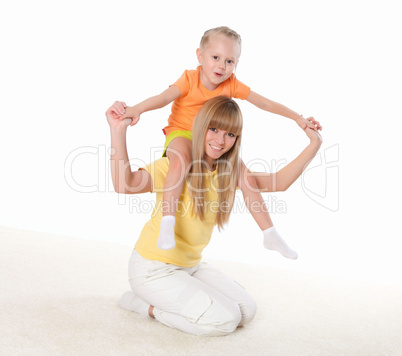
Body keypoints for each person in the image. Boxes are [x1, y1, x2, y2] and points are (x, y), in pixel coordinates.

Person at [106, 96, 322, 336]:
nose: (220, 140)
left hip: (190, 266)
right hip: (152, 269)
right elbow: (124, 184)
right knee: (223, 321)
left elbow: (279, 182)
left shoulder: (229, 172)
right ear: (200, 127)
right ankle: (145, 306)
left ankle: (173, 297)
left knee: (246, 311)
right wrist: (118, 131)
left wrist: (314, 144)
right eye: (214, 129)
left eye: (230, 134)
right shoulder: (175, 166)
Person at [118, 26, 322, 257]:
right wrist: (137, 109)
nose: (221, 66)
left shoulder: (231, 84)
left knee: (245, 178)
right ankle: (167, 222)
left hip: (210, 137)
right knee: (181, 161)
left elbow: (264, 103)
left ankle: (269, 232)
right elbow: (163, 98)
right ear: (200, 56)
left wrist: (297, 117)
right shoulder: (189, 79)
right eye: (215, 57)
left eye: (229, 61)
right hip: (183, 132)